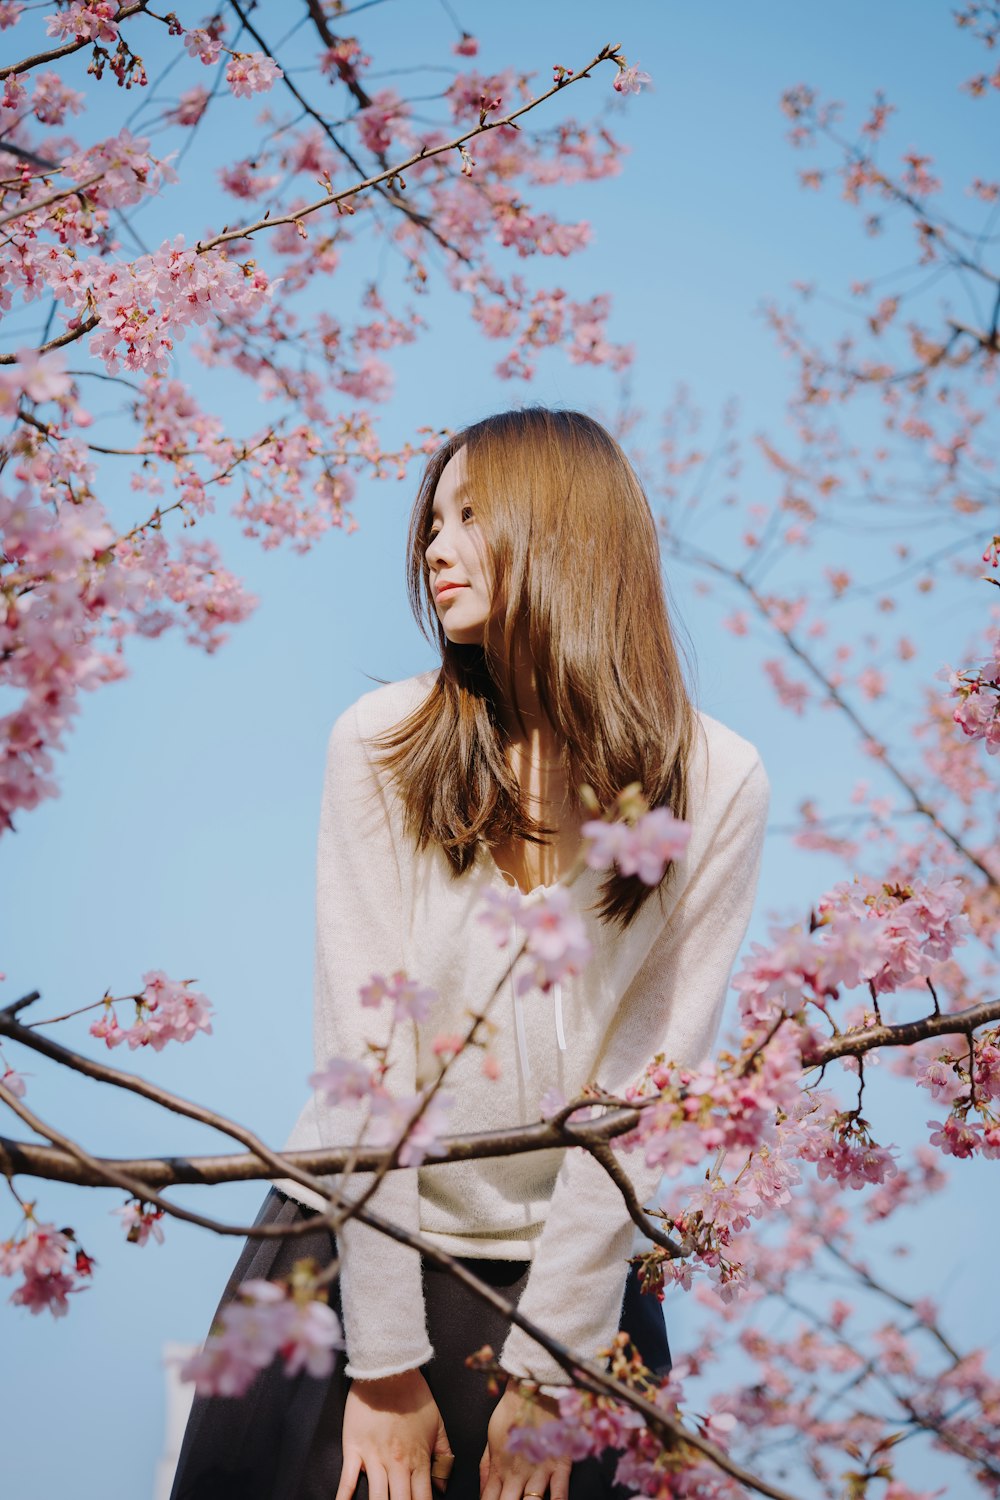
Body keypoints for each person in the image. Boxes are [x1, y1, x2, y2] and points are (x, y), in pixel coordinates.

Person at [169, 406, 770, 1500]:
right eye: (430, 523)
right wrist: (386, 1367)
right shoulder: (383, 743)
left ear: (566, 531)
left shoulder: (721, 780)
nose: (433, 548)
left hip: (577, 1290)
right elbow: (364, 1054)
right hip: (354, 1250)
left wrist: (548, 1370)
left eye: (469, 517)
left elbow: (645, 1083)